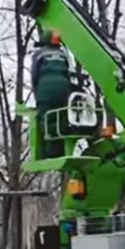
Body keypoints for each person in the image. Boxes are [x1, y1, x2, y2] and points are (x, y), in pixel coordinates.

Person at [30, 29, 72, 158]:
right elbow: (68, 73)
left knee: (47, 118)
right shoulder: (63, 54)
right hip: (63, 89)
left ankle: (50, 151)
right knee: (61, 117)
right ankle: (61, 150)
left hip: (46, 89)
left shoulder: (39, 54)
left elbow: (35, 75)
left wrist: (36, 92)